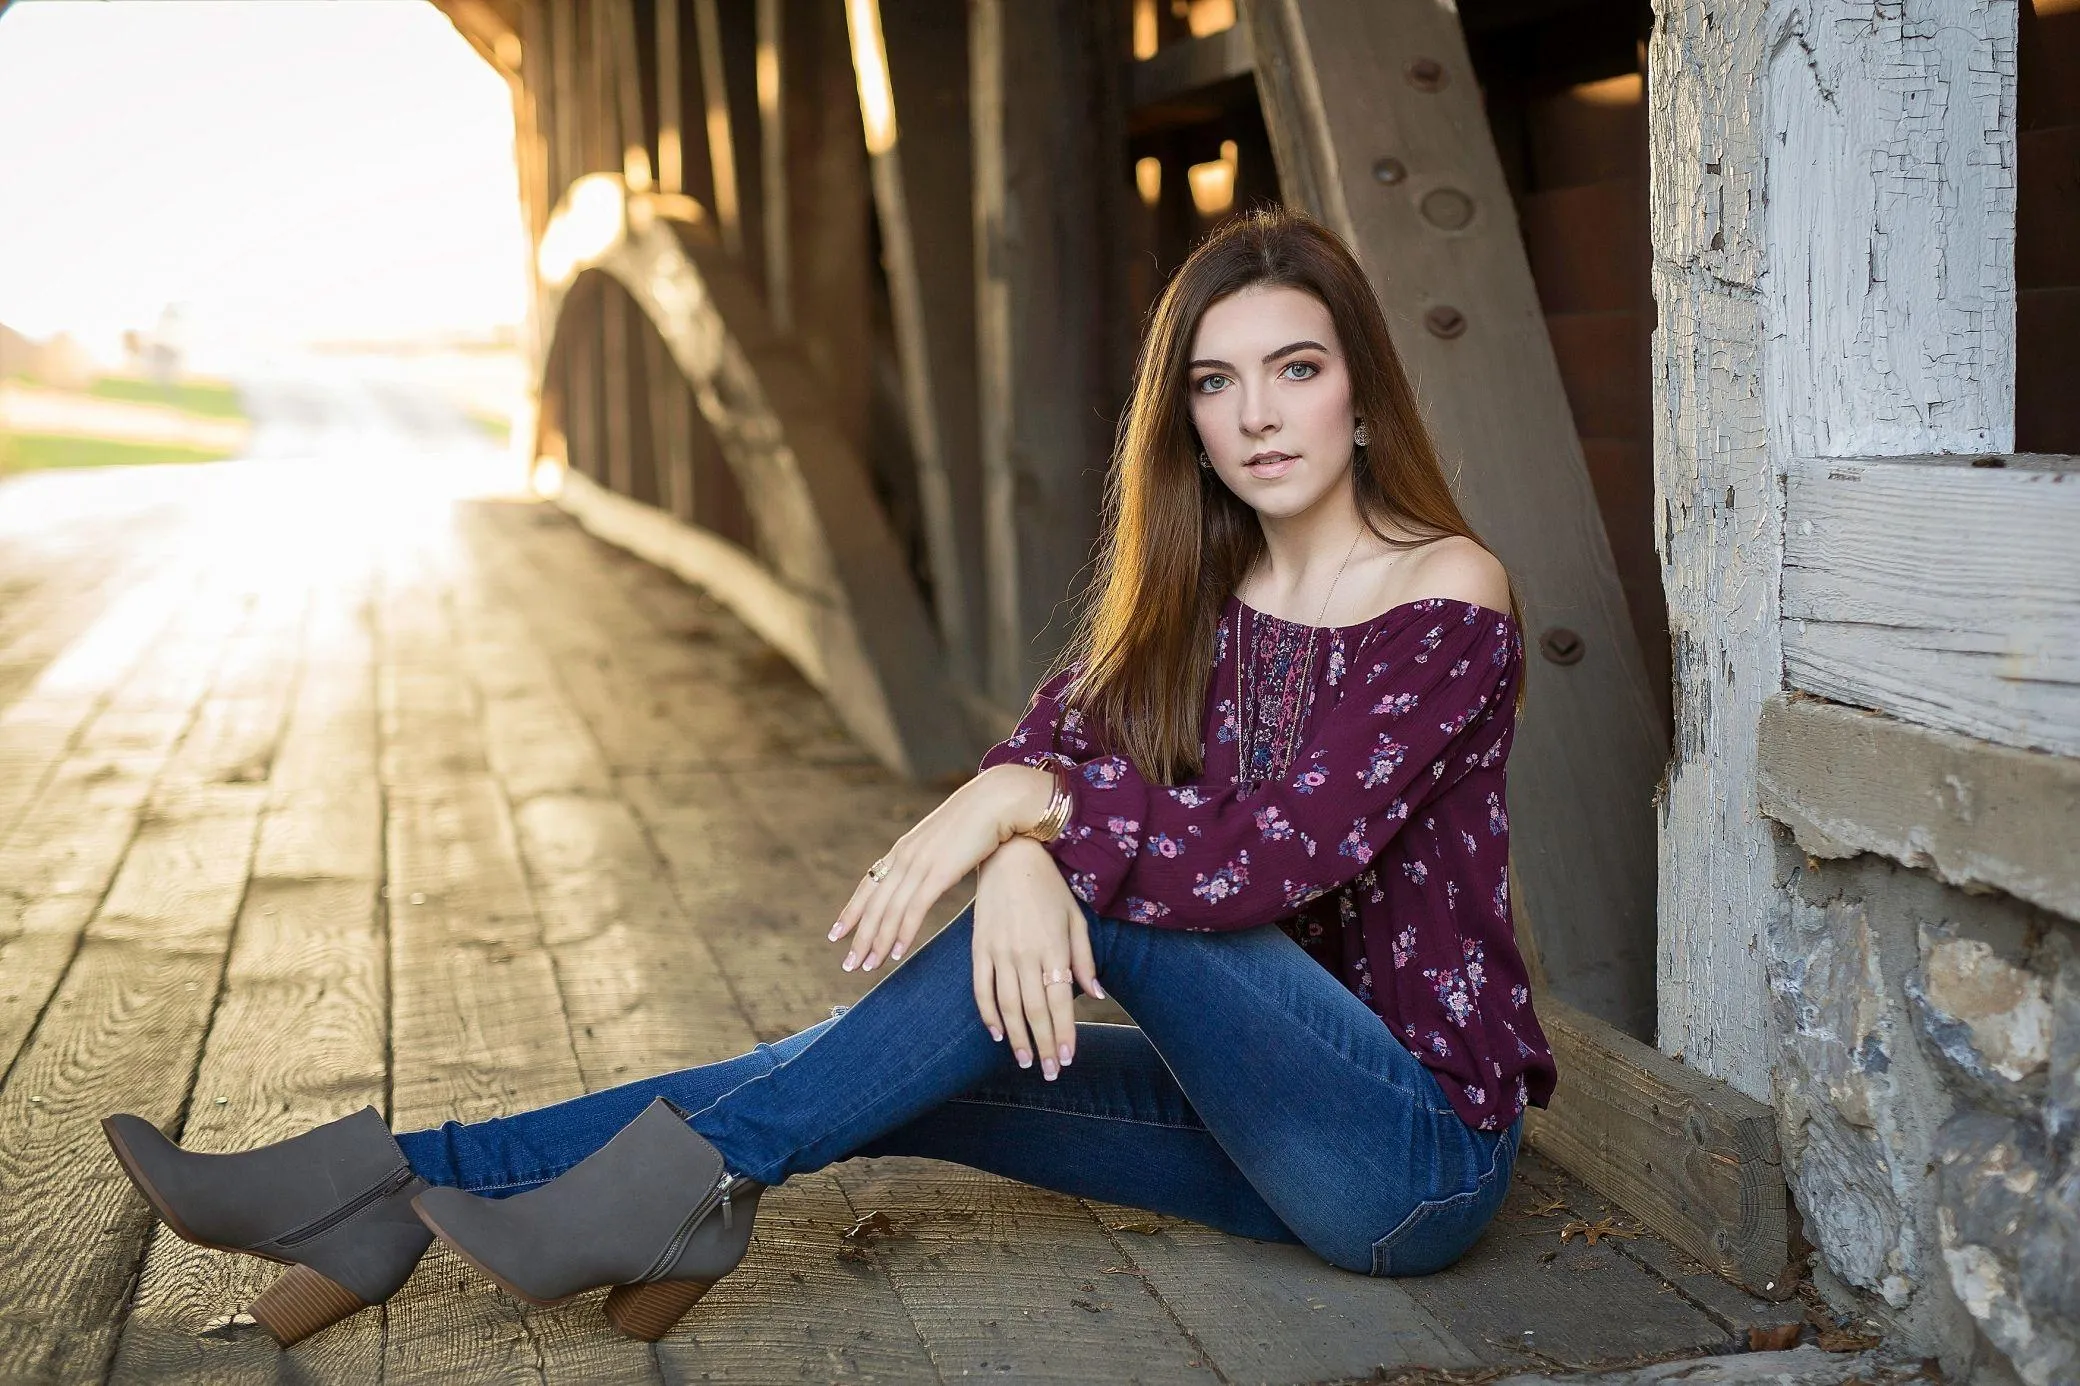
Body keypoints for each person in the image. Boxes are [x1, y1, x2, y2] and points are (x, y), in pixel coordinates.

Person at [100, 207, 1556, 1350]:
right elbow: (1048, 750)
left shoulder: (1446, 592)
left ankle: (564, 1209)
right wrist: (1028, 832)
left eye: (1297, 369)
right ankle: (389, 1187)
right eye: (1216, 382)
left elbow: (1273, 857)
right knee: (847, 1067)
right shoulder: (1196, 593)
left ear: (1362, 390)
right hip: (1238, 1133)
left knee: (1083, 911)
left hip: (1404, 1154)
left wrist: (1025, 820)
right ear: (1183, 417)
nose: (1256, 415)